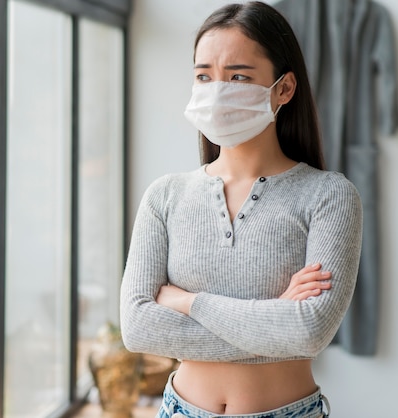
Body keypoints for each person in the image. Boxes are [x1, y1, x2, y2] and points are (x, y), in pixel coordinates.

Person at [119, 2, 363, 417]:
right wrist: (273, 321)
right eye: (203, 76)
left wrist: (187, 301)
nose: (216, 90)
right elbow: (138, 329)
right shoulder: (165, 196)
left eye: (237, 76)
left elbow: (307, 332)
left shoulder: (329, 196)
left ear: (283, 89)